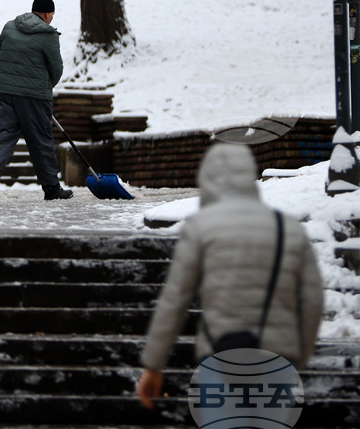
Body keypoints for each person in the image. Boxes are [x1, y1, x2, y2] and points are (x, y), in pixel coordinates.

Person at [136, 143, 324, 410]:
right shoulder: (288, 228)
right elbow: (312, 300)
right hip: (278, 358)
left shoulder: (201, 227)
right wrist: (297, 355)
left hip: (221, 354)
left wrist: (153, 366)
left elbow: (174, 301)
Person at [0, 0, 72, 201]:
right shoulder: (48, 34)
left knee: (3, 135)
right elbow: (56, 68)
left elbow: (0, 53)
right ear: (48, 14)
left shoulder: (9, 27)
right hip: (34, 96)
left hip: (6, 92)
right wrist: (45, 87)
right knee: (40, 139)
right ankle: (51, 188)